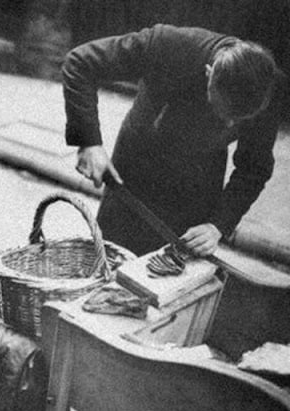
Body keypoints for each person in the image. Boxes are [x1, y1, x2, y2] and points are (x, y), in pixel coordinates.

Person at [62, 24, 288, 257]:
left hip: (197, 186)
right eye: (222, 113)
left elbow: (253, 169)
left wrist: (217, 226)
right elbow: (80, 62)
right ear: (209, 74)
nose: (229, 127)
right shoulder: (168, 45)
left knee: (175, 277)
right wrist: (88, 141)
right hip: (136, 170)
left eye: (239, 121)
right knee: (112, 263)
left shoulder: (267, 85)